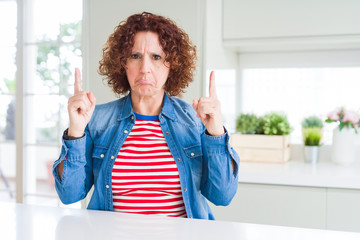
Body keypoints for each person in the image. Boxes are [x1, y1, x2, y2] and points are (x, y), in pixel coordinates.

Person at [53, 12, 240, 220]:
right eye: (135, 56)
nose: (145, 69)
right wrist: (76, 132)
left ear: (173, 65)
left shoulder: (194, 120)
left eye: (156, 57)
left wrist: (215, 132)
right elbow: (69, 195)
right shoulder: (97, 120)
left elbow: (222, 196)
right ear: (123, 63)